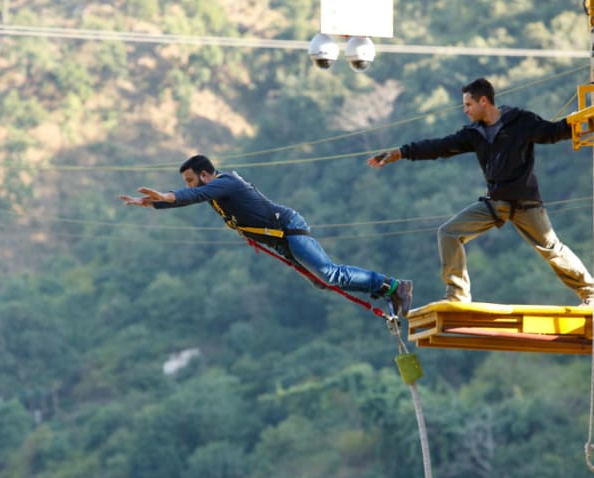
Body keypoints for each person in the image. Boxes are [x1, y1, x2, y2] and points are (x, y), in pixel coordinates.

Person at [368, 77, 594, 306]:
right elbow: (440, 146)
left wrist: (584, 119)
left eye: (468, 105)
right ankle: (458, 295)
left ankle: (591, 294)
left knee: (553, 249)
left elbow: (553, 132)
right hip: (496, 202)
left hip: (525, 202)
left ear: (483, 101)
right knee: (448, 233)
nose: (465, 110)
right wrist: (401, 152)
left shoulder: (521, 121)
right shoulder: (474, 134)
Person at [120, 154, 413, 316]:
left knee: (329, 274)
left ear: (206, 175)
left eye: (190, 180)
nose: (189, 186)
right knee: (322, 283)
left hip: (288, 229)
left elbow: (191, 196)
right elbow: (191, 196)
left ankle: (393, 286)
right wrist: (155, 202)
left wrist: (168, 196)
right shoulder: (214, 191)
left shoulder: (225, 183)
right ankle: (385, 290)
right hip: (282, 240)